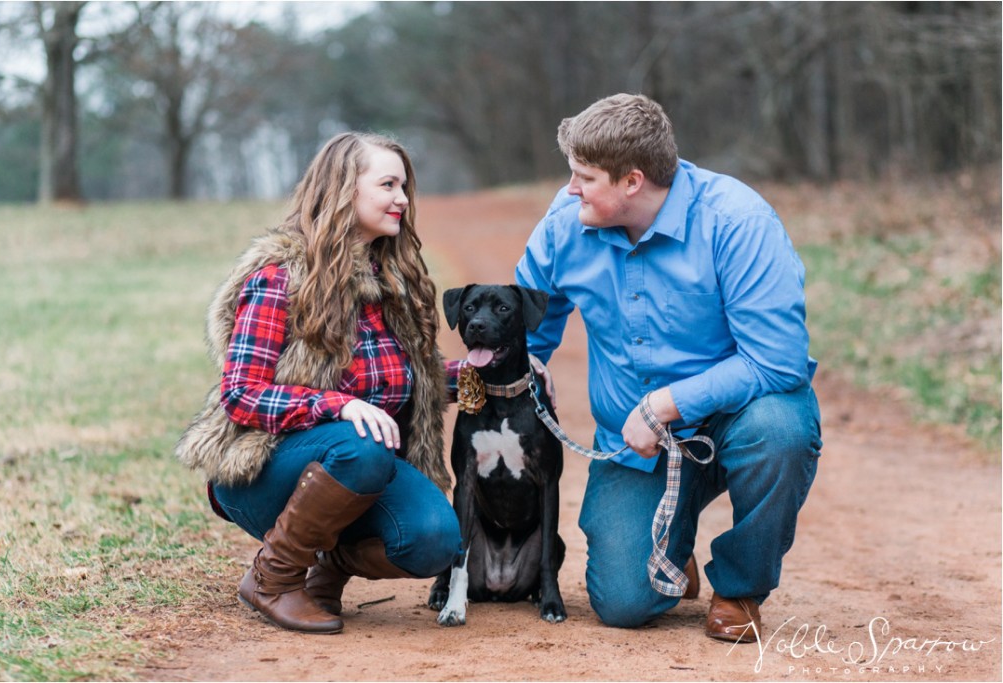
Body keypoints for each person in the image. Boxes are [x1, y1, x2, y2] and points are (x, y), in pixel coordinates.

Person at [515, 94, 822, 642]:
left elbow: (778, 362)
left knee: (782, 430)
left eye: (584, 176)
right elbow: (529, 320)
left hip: (737, 419)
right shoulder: (566, 224)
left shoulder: (737, 221)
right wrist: (530, 358)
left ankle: (740, 588)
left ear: (632, 181)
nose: (570, 189)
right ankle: (671, 551)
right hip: (635, 447)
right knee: (624, 603)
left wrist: (666, 403)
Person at [175, 132, 462, 634]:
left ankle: (326, 567)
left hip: (355, 470)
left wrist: (493, 377)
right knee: (361, 445)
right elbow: (241, 396)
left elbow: (413, 381)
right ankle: (274, 577)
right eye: (388, 185)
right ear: (343, 190)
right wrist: (336, 406)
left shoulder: (395, 280)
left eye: (405, 186)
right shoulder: (280, 276)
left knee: (435, 540)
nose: (403, 199)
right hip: (264, 472)